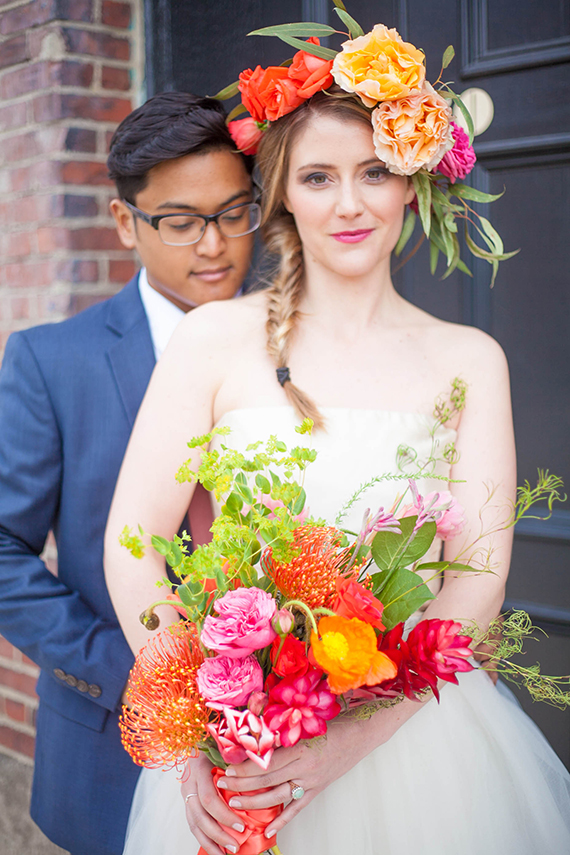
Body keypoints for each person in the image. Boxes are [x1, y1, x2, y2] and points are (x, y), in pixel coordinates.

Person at [104, 89, 570, 855]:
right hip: (247, 746)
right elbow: (132, 544)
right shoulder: (211, 340)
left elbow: (478, 581)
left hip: (420, 741)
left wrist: (354, 738)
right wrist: (202, 722)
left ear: (413, 185)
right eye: (318, 176)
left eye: (375, 172)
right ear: (282, 192)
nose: (349, 203)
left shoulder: (470, 359)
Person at [0, 91, 257, 855]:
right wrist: (130, 668)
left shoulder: (302, 347)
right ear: (125, 222)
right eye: (180, 222)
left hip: (284, 740)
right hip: (112, 740)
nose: (214, 244)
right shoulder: (52, 360)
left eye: (234, 213)